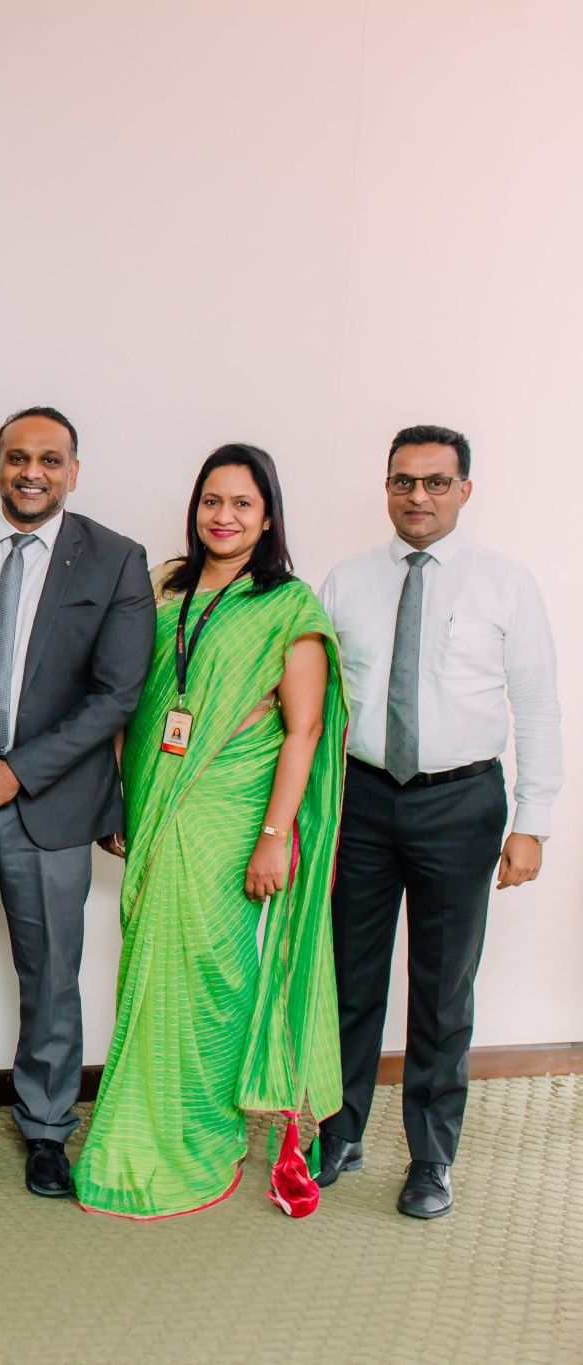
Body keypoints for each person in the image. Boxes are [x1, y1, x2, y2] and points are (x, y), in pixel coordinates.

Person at [73, 443, 346, 1220]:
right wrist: (119, 798)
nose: (223, 516)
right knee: (149, 963)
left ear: (268, 516)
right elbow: (125, 696)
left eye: (242, 504)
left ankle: (204, 1128)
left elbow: (303, 731)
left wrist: (275, 835)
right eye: (211, 501)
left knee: (217, 971)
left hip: (230, 814)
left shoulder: (288, 606)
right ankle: (138, 1122)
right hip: (155, 798)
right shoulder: (163, 585)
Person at [317, 425, 562, 1219]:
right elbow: (317, 702)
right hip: (361, 798)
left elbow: (538, 703)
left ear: (464, 489)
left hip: (461, 803)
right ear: (386, 487)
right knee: (349, 977)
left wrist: (532, 821)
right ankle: (340, 1131)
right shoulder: (346, 581)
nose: (417, 495)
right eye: (403, 480)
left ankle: (431, 1155)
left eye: (434, 481)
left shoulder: (505, 583)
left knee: (442, 988)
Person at [0, 407, 154, 1198]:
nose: (31, 472)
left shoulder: (115, 559)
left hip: (51, 804)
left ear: (72, 471)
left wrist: (15, 771)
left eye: (50, 459)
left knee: (50, 973)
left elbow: (117, 693)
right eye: (17, 457)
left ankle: (47, 1124)